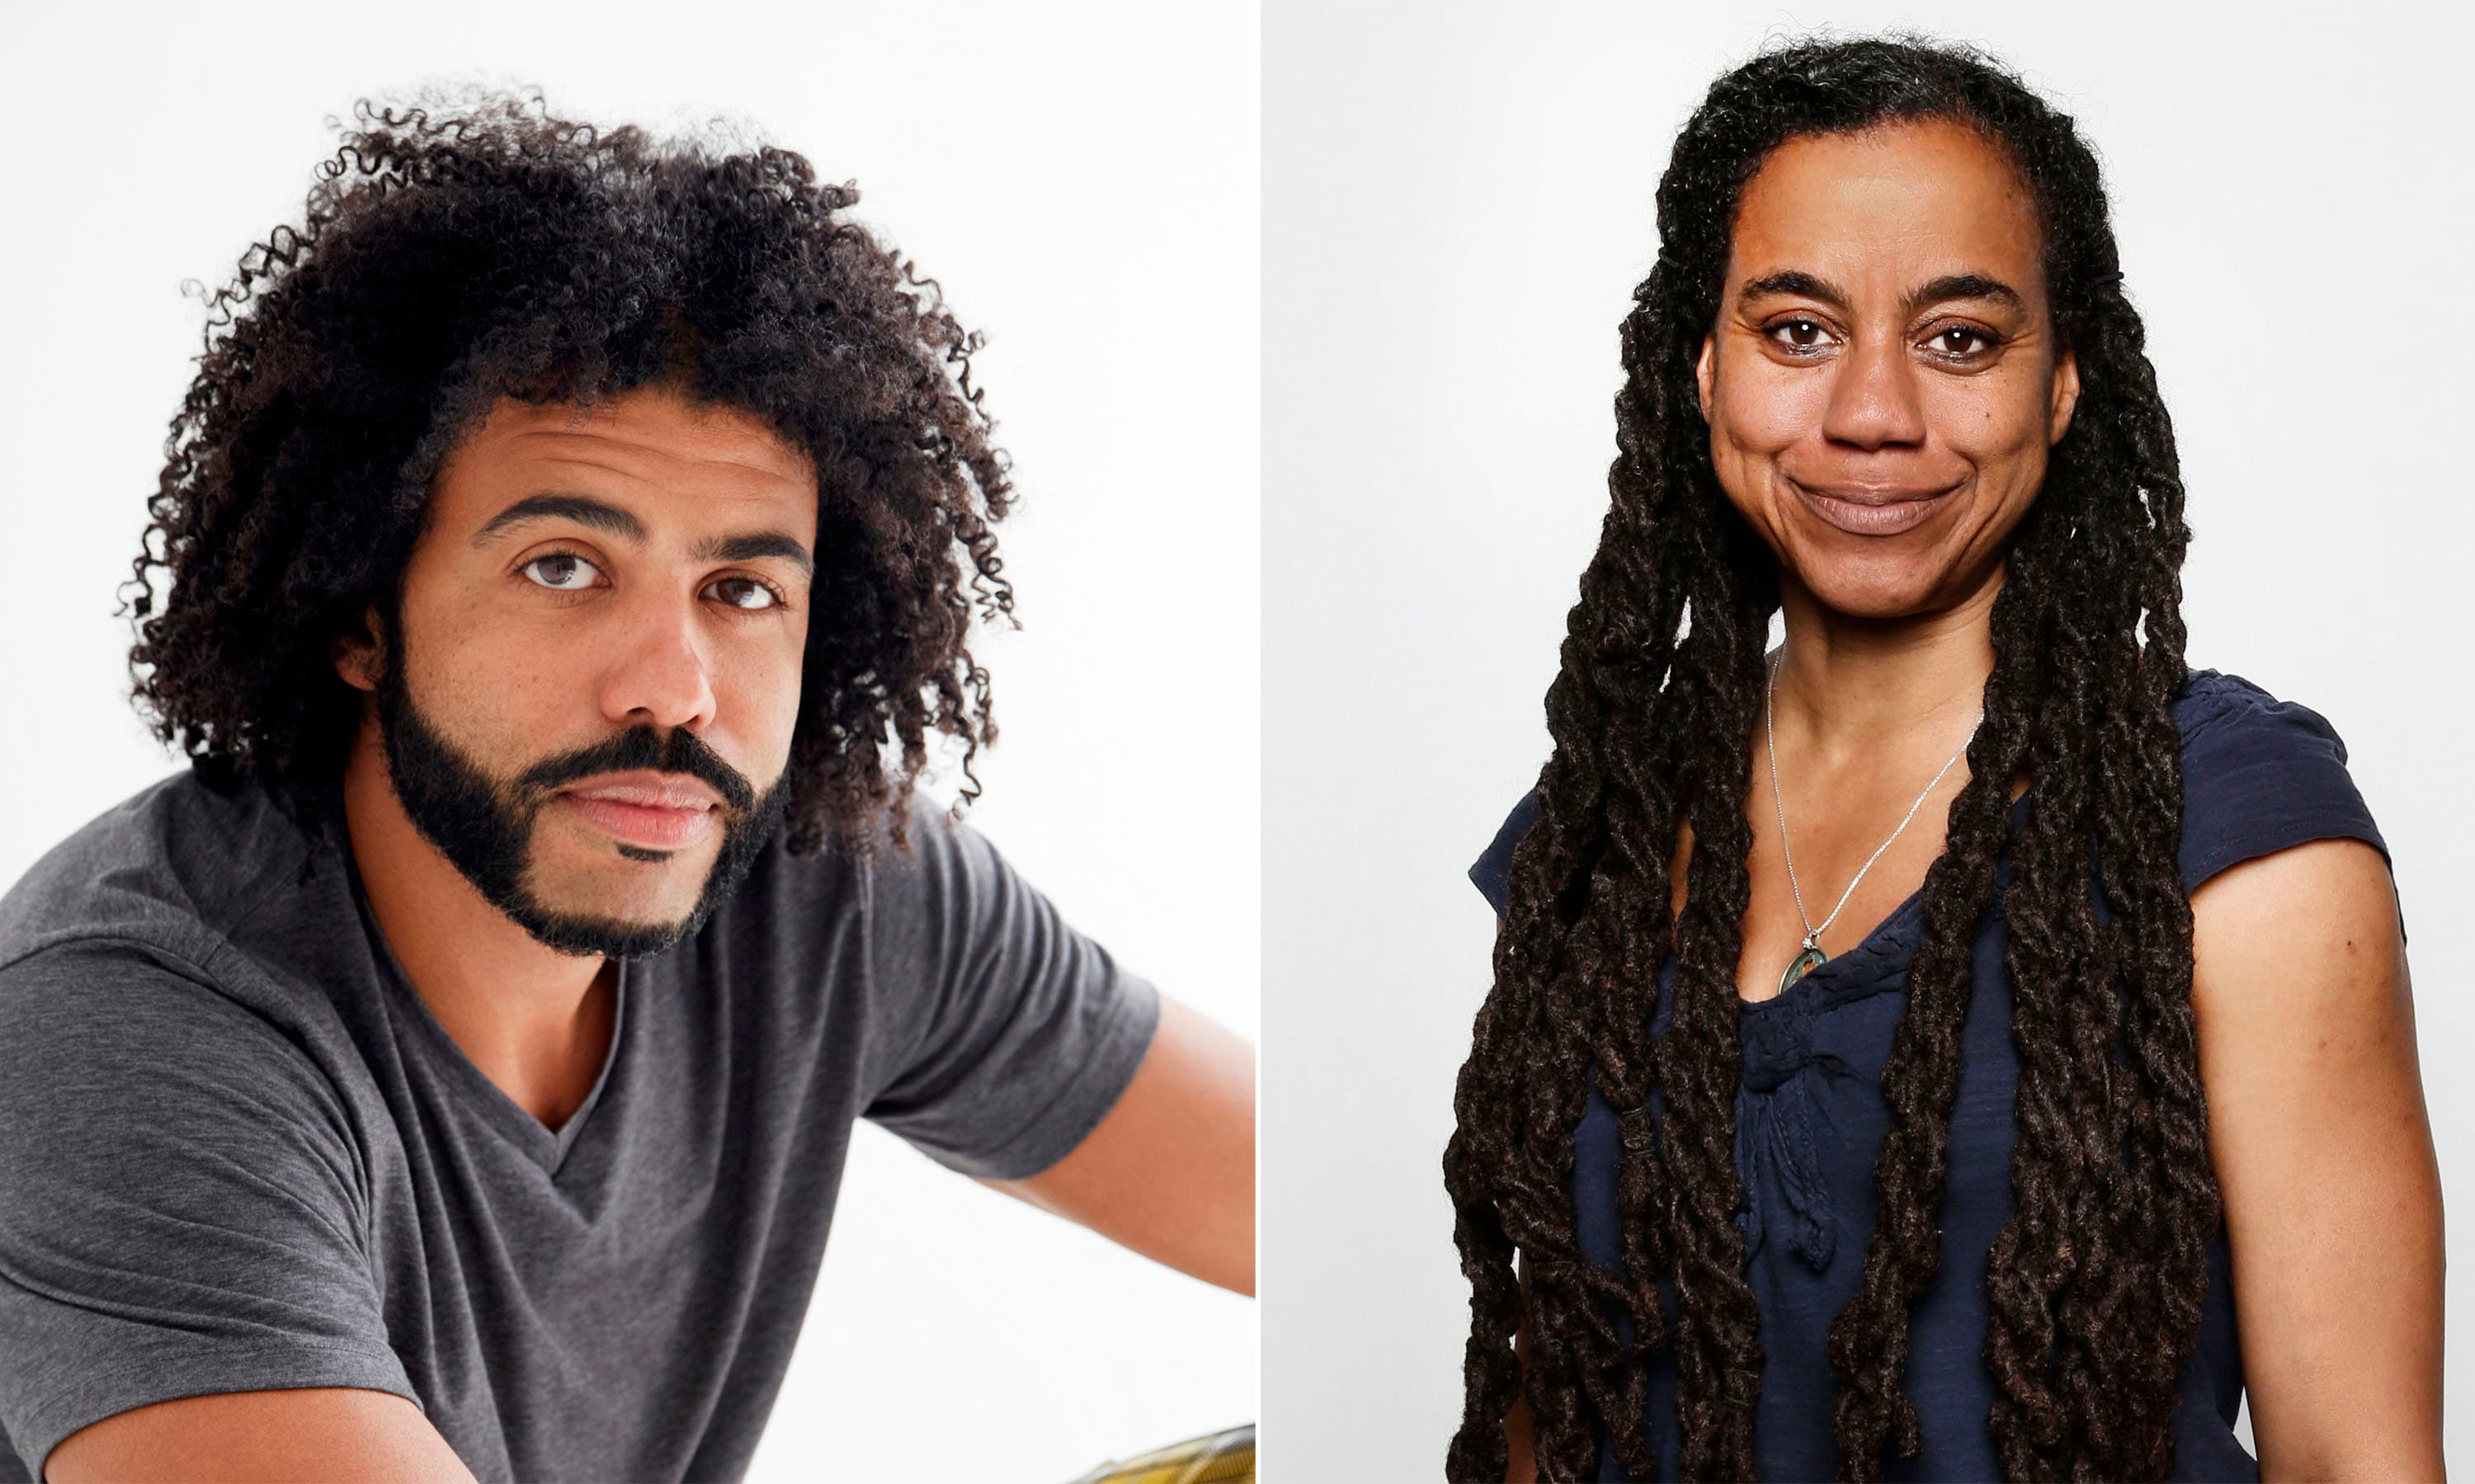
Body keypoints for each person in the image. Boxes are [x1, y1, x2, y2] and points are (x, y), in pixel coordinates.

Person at [0, 94, 1253, 1483]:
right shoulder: (116, 1034)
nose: (677, 687)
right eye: (564, 567)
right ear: (362, 611)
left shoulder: (826, 887)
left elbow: (1372, 1206)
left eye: (742, 589)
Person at [1444, 36, 2440, 1484]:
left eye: (1960, 338)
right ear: (1703, 368)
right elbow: (1557, 1420)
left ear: (2063, 386)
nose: (1873, 413)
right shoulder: (1597, 829)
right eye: (1797, 329)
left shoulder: (2235, 836)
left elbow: (2359, 1462)